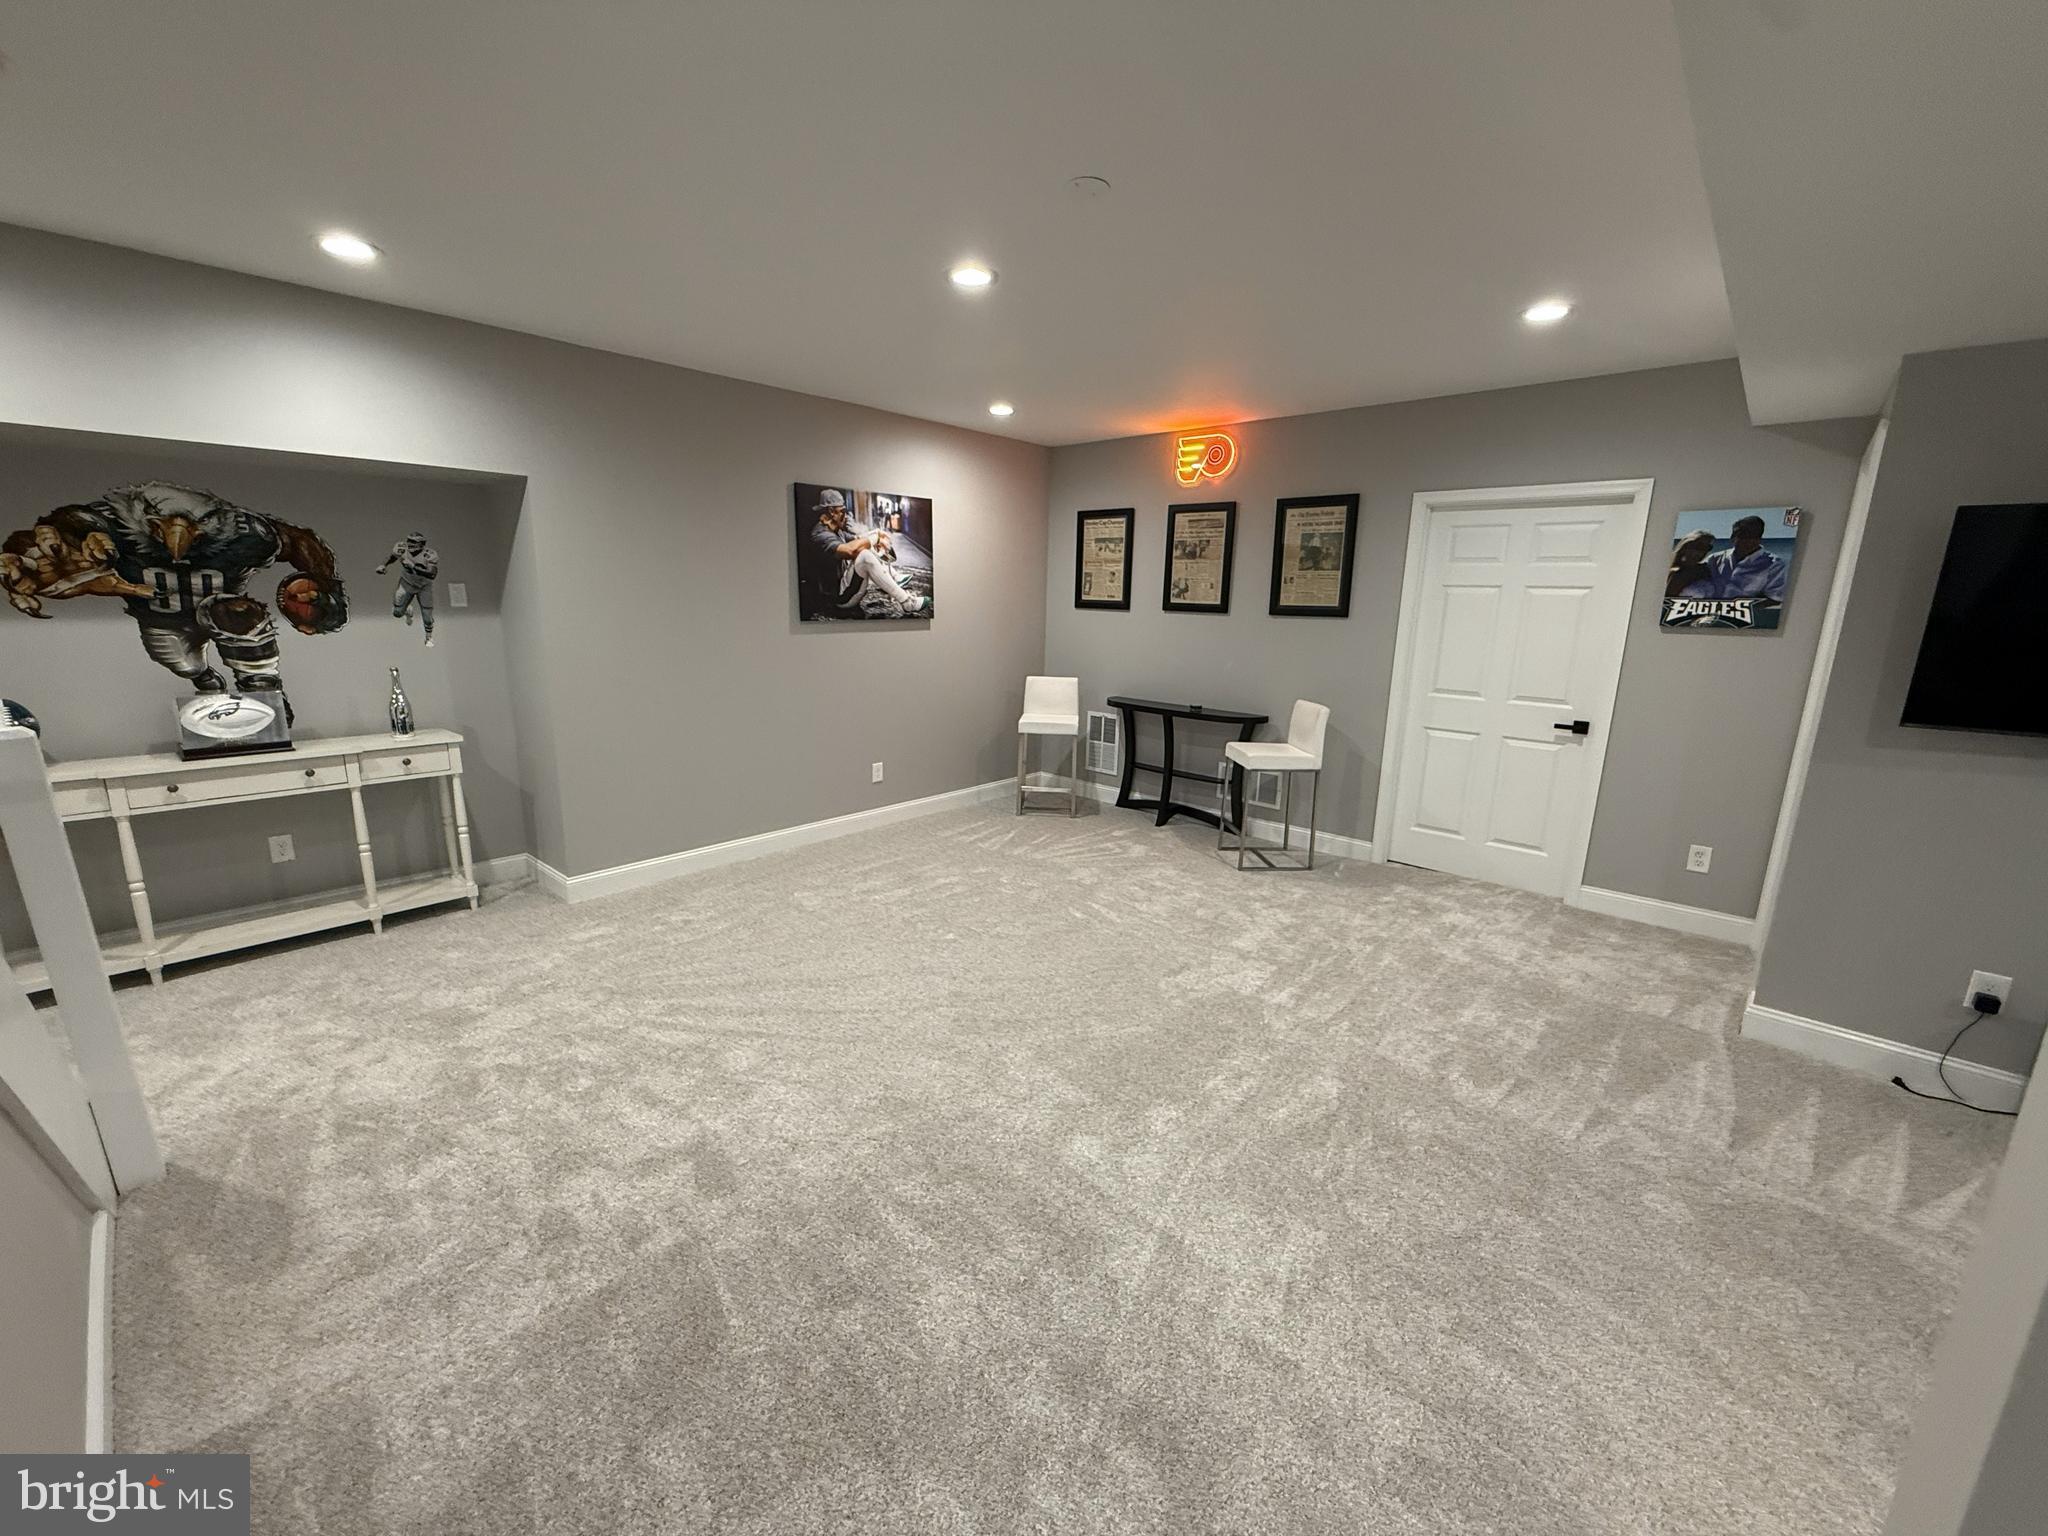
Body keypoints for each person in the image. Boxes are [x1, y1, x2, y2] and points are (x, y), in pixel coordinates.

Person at [805, 488, 929, 616]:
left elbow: (857, 539)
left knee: (864, 545)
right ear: (831, 512)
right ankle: (907, 602)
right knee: (864, 555)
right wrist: (874, 539)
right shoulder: (820, 534)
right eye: (843, 511)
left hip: (846, 587)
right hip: (839, 598)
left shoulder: (835, 529)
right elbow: (850, 550)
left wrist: (877, 534)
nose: (846, 516)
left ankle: (895, 577)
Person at [1667, 514, 1787, 603]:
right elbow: (1690, 570)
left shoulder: (1774, 564)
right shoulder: (1715, 559)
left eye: (1753, 536)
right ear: (1733, 537)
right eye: (1742, 536)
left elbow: (1774, 598)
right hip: (1706, 613)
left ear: (1759, 539)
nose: (1747, 541)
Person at [377, 531, 440, 646]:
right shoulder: (402, 548)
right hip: (407, 583)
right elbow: (392, 557)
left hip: (423, 586)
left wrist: (414, 566)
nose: (410, 544)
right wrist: (383, 565)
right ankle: (407, 610)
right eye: (409, 541)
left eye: (414, 542)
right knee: (397, 613)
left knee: (427, 614)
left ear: (422, 544)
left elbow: (432, 574)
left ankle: (429, 637)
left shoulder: (429, 555)